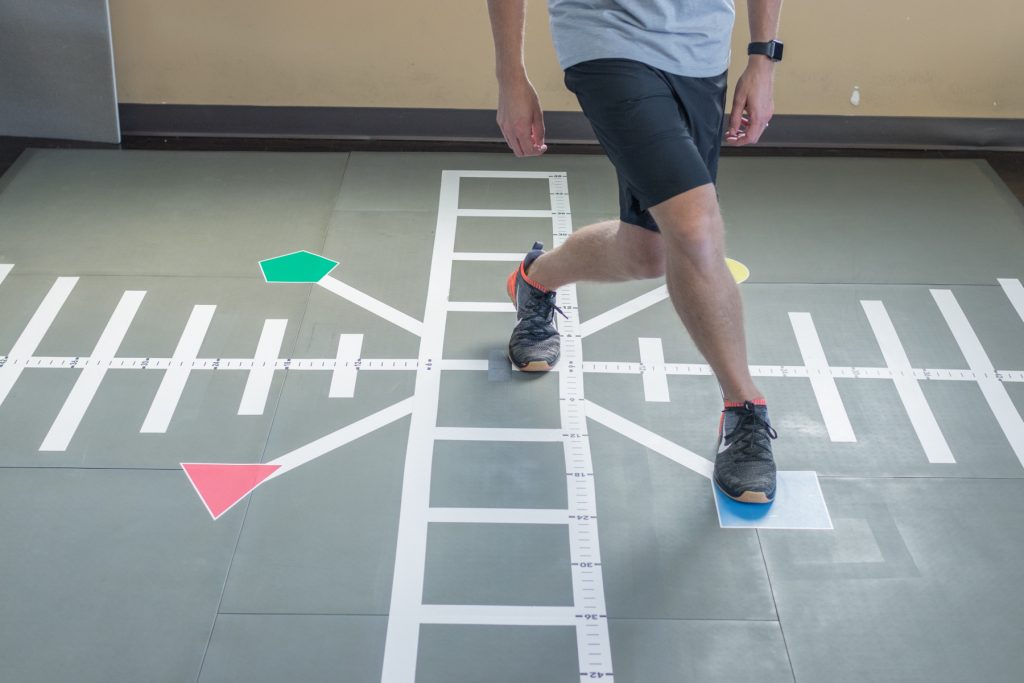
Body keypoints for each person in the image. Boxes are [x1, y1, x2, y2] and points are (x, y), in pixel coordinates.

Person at [487, 0, 783, 503]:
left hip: (701, 47)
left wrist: (762, 58)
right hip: (604, 39)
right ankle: (744, 408)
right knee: (695, 227)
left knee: (650, 252)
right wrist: (511, 77)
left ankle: (536, 278)